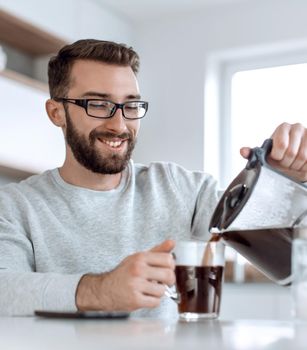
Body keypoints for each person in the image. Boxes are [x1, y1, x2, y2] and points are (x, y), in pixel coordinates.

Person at [0, 39, 306, 318]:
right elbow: (5, 290)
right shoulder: (15, 206)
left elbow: (290, 259)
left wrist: (286, 186)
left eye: (131, 105)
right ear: (56, 112)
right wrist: (100, 290)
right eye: (98, 104)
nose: (119, 124)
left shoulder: (182, 188)